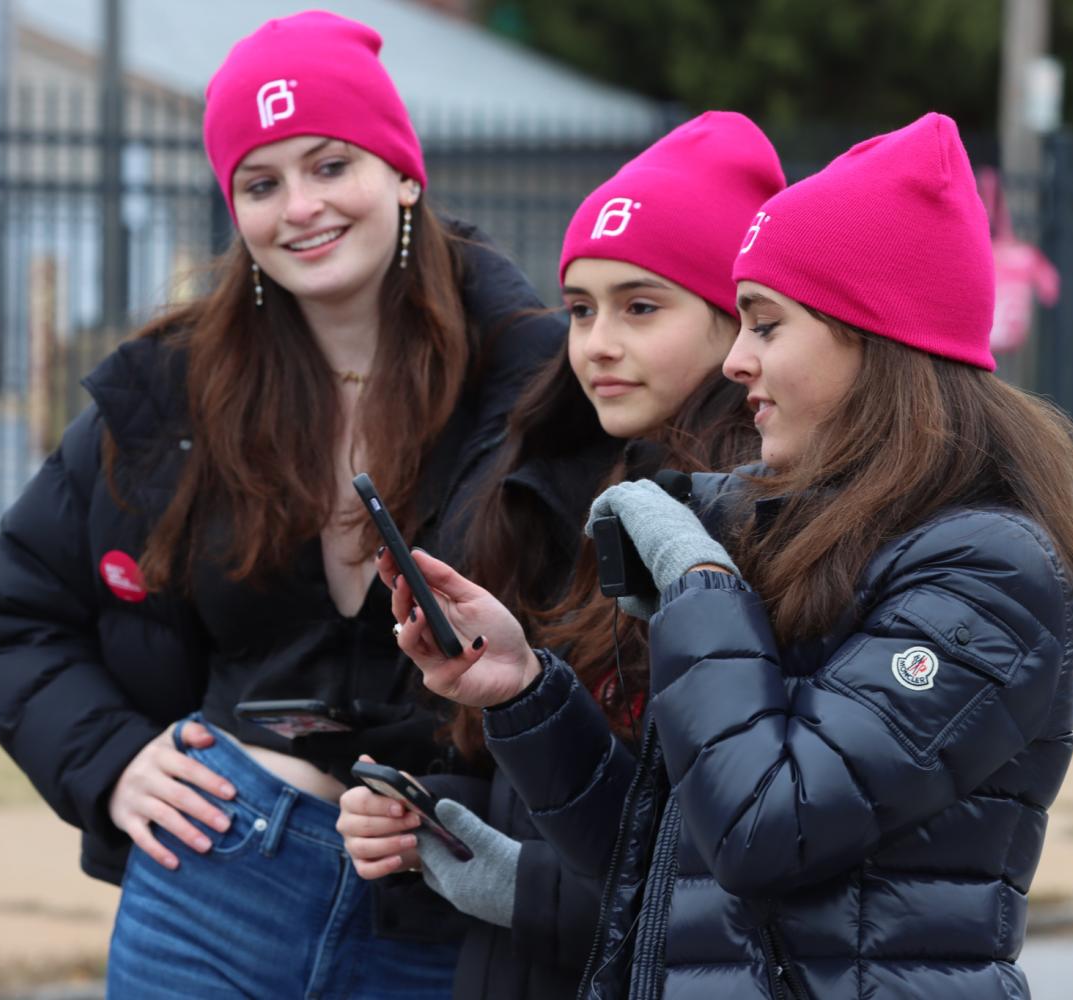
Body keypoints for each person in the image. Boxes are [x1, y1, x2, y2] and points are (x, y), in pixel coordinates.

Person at [376, 112, 1073, 999]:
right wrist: (527, 696)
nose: (735, 360)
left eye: (764, 324)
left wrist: (699, 587)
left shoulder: (988, 573)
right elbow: (668, 868)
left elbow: (767, 829)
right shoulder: (799, 533)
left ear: (871, 337)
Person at [0, 11, 570, 999]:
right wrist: (111, 761)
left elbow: (599, 664)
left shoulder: (539, 382)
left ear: (403, 172)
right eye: (261, 181)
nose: (300, 208)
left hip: (447, 913)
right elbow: (14, 615)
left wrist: (472, 806)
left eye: (332, 165)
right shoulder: (172, 391)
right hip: (211, 886)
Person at [335, 112, 784, 999]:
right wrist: (420, 810)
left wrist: (517, 885)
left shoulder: (756, 522)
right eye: (580, 309)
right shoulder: (542, 483)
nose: (596, 343)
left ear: (735, 322)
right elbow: (522, 777)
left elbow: (720, 879)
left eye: (640, 306)